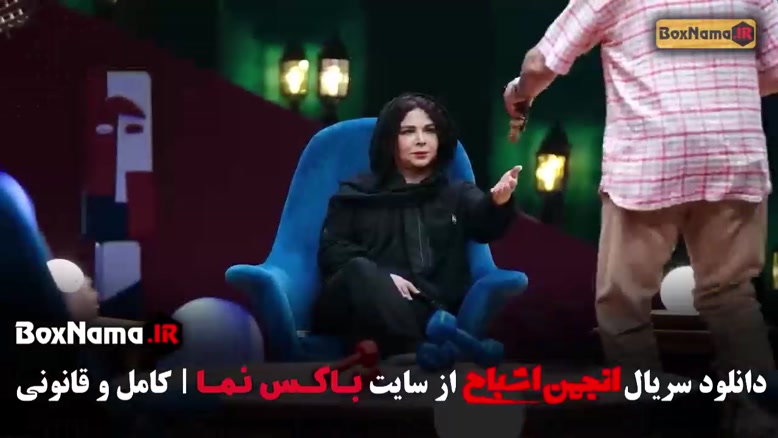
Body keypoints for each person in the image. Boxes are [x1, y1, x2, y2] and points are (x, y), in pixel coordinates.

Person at [502, 0, 778, 377]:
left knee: (623, 306)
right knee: (732, 297)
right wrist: (724, 90)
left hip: (650, 161)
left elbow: (540, 63)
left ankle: (642, 404)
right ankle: (757, 407)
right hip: (733, 155)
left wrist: (520, 92)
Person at [313, 93, 521, 356]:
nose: (421, 140)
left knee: (428, 316)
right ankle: (425, 350)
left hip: (425, 308)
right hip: (356, 305)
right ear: (390, 140)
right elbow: (332, 250)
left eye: (429, 131)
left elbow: (485, 224)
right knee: (359, 270)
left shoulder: (456, 194)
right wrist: (382, 279)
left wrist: (498, 201)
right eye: (408, 131)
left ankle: (420, 349)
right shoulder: (357, 193)